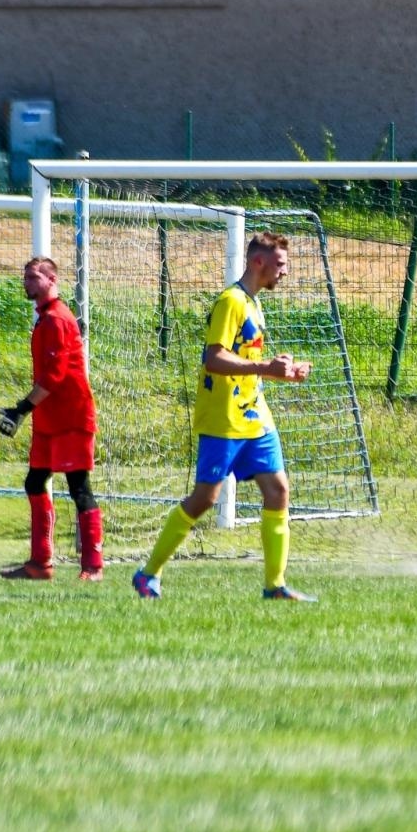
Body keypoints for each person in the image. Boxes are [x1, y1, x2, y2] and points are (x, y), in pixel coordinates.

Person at [132, 231, 316, 601]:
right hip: (223, 418)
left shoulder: (253, 303)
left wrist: (281, 371)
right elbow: (213, 358)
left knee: (278, 490)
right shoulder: (231, 301)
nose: (285, 271)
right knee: (205, 498)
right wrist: (264, 367)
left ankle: (275, 586)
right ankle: (147, 574)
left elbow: (246, 360)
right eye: (280, 264)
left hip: (255, 416)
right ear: (258, 261)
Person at [0, 257, 103, 581]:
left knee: (78, 488)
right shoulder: (45, 317)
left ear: (52, 279)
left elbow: (55, 377)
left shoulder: (57, 319)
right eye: (25, 277)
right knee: (34, 482)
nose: (26, 282)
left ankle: (93, 567)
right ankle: (40, 564)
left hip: (71, 417)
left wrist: (20, 409)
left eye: (33, 277)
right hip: (49, 418)